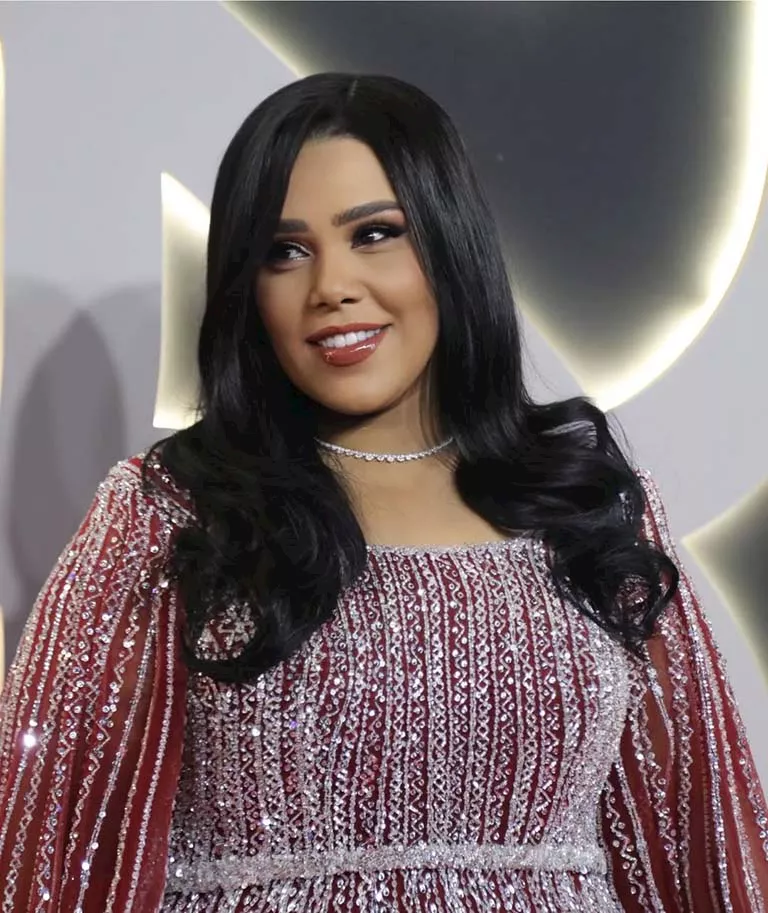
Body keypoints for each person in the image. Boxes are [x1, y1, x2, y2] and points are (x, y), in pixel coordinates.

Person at [0, 72, 766, 913]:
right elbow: (52, 852)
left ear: (450, 244)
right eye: (284, 251)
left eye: (374, 234)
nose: (330, 285)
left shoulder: (588, 507)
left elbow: (700, 842)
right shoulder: (170, 512)